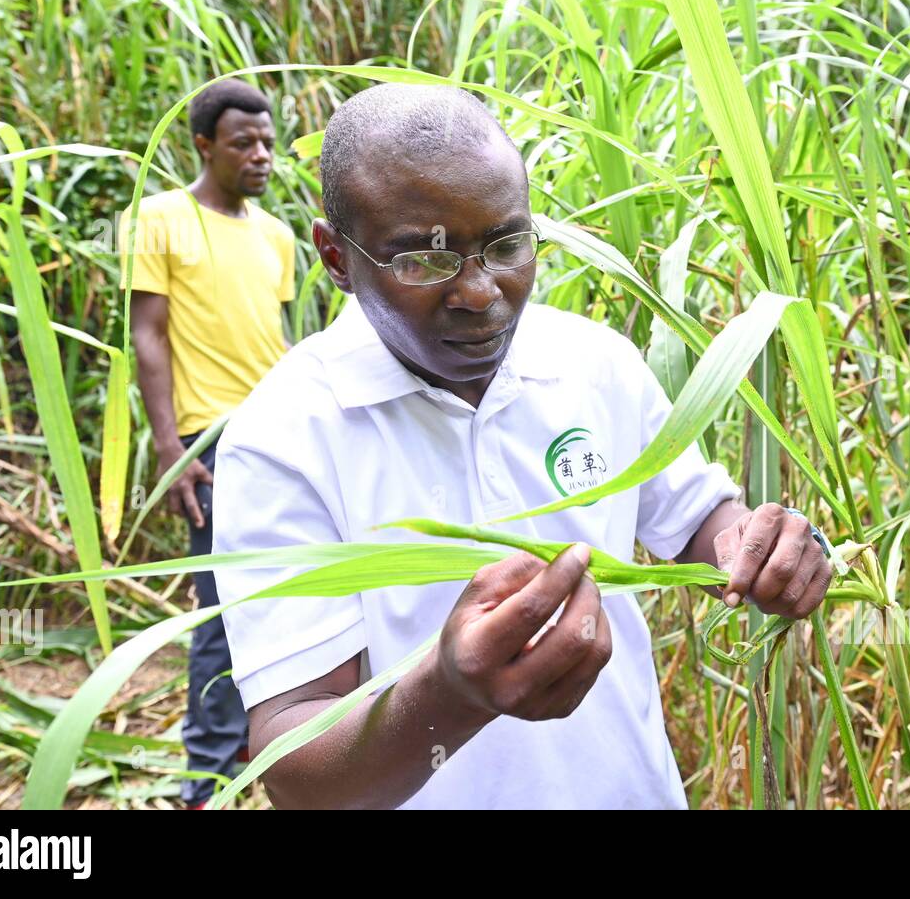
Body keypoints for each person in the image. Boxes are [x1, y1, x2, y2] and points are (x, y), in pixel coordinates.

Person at [210, 83, 831, 809]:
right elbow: (294, 766)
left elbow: (697, 520)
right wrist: (450, 696)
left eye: (506, 245)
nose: (479, 292)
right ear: (335, 258)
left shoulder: (594, 362)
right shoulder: (284, 436)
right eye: (423, 260)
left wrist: (764, 548)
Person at [119, 78, 296, 809]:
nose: (261, 155)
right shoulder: (161, 218)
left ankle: (275, 753)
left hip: (282, 434)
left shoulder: (277, 234)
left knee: (291, 600)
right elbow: (148, 335)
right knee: (222, 614)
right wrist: (172, 451)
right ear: (203, 145)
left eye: (266, 141)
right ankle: (209, 786)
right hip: (211, 442)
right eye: (242, 143)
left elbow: (276, 339)